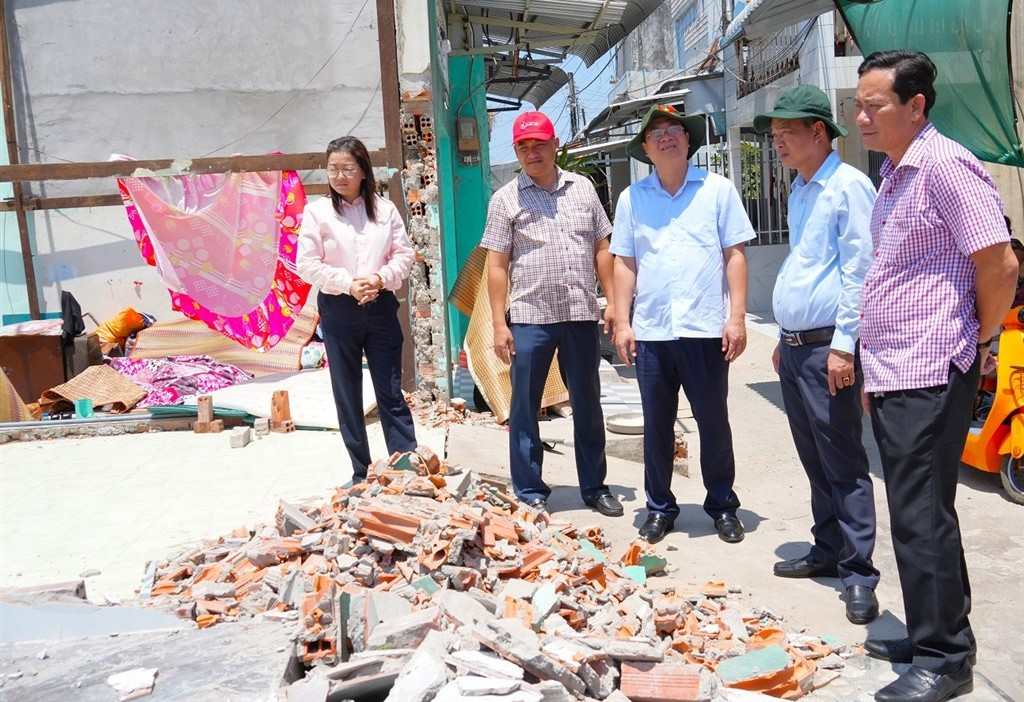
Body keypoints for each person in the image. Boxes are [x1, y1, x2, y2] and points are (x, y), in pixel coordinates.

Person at [854, 51, 1017, 702]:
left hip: (930, 366)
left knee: (922, 517)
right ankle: (937, 631)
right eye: (858, 105)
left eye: (875, 106)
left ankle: (945, 660)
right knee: (919, 514)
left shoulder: (946, 167)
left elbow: (1000, 265)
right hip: (895, 367)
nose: (862, 117)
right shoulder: (897, 173)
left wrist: (974, 341)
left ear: (916, 105)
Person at [754, 85, 881, 625]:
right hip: (797, 346)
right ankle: (827, 549)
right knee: (813, 458)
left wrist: (843, 347)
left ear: (819, 133)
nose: (778, 141)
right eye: (775, 133)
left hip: (830, 347)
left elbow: (860, 270)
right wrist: (787, 337)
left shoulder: (849, 186)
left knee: (845, 461)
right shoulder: (801, 189)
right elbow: (807, 265)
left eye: (787, 132)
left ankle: (859, 573)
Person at [611, 104, 755, 545]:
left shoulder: (717, 190)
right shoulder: (632, 199)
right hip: (653, 333)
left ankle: (722, 505)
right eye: (657, 134)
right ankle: (659, 508)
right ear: (646, 150)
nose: (667, 137)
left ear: (689, 141)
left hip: (705, 329)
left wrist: (737, 317)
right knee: (656, 424)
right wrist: (622, 320)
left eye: (675, 130)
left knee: (713, 421)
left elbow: (734, 255)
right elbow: (625, 262)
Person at [481, 111, 622, 517]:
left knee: (588, 403)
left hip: (579, 313)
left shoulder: (583, 189)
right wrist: (498, 323)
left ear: (555, 144)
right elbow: (496, 264)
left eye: (539, 144)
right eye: (524, 146)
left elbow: (602, 248)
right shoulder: (505, 199)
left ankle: (594, 487)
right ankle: (529, 489)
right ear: (516, 152)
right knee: (525, 406)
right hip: (529, 317)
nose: (532, 152)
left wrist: (612, 302)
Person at [297, 136, 418, 482]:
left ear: (363, 170)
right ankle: (360, 471)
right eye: (333, 168)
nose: (339, 176)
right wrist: (348, 283)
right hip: (339, 309)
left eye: (347, 168)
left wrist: (379, 279)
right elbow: (306, 264)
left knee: (390, 390)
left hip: (380, 307)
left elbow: (404, 254)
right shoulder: (317, 212)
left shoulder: (385, 210)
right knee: (347, 392)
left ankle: (405, 465)